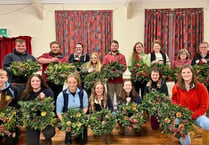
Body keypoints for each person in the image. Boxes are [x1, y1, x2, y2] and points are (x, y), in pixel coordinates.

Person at [172, 64, 209, 145]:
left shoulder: (201, 88)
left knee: (207, 124)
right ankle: (183, 133)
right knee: (186, 143)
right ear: (181, 75)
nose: (186, 74)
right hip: (181, 116)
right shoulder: (176, 87)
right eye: (184, 73)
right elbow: (173, 101)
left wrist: (192, 115)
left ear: (192, 73)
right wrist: (179, 113)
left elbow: (204, 106)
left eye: (188, 72)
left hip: (197, 115)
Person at [21, 74, 55, 145]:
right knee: (31, 143)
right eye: (33, 81)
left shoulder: (47, 91)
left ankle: (48, 139)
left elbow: (52, 106)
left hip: (45, 118)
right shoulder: (26, 93)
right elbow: (22, 108)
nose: (35, 83)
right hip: (32, 119)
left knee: (49, 133)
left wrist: (44, 99)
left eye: (37, 81)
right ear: (30, 82)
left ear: (41, 82)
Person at [56, 73, 88, 145]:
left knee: (82, 141)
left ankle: (77, 133)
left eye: (74, 82)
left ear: (77, 83)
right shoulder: (62, 95)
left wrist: (79, 118)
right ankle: (68, 134)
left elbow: (85, 108)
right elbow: (58, 112)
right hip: (67, 117)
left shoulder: (83, 93)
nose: (72, 85)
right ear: (67, 83)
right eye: (69, 82)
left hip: (79, 117)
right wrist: (66, 122)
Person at [37, 41, 68, 107]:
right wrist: (52, 60)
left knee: (58, 97)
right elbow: (39, 60)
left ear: (59, 48)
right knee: (47, 97)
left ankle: (57, 112)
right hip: (47, 81)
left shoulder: (63, 58)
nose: (55, 48)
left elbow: (67, 69)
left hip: (59, 82)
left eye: (56, 47)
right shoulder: (46, 55)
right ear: (50, 48)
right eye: (53, 47)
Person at [102, 40, 127, 109]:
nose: (114, 47)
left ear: (118, 47)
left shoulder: (122, 56)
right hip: (110, 81)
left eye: (115, 46)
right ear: (110, 47)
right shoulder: (106, 57)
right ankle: (111, 111)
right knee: (110, 96)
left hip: (119, 80)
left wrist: (117, 73)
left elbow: (124, 67)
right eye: (113, 45)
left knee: (120, 96)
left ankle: (120, 110)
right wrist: (110, 73)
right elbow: (104, 67)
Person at [0, 69, 20, 145]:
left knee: (11, 139)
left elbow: (18, 104)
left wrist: (9, 114)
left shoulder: (13, 89)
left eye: (2, 77)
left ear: (6, 78)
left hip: (10, 119)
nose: (0, 80)